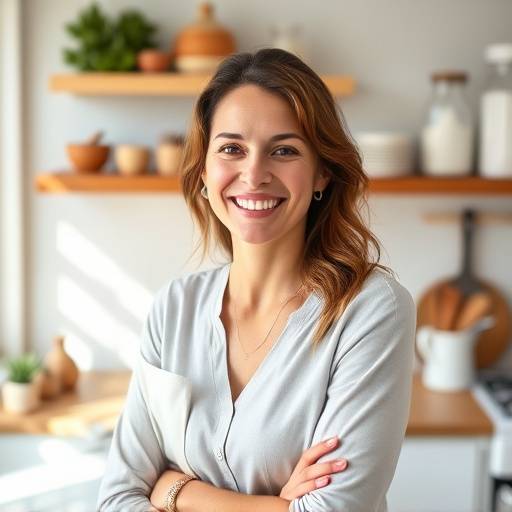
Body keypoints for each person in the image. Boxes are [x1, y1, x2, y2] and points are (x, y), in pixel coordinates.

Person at [97, 48, 416, 512]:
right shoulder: (174, 308)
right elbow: (115, 500)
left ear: (323, 171)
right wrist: (276, 506)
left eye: (283, 150)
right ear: (204, 172)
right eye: (231, 149)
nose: (254, 174)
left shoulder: (370, 309)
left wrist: (176, 491)